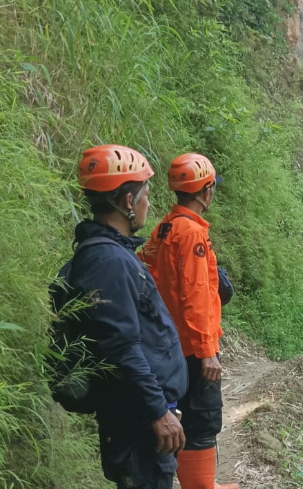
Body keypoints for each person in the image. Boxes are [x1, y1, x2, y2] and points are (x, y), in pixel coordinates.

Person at [73, 144, 188, 489]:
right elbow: (121, 346)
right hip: (137, 420)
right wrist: (157, 412)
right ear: (127, 201)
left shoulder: (111, 254)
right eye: (145, 195)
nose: (148, 204)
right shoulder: (108, 262)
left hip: (139, 415)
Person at [142, 153, 238, 489]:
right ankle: (201, 486)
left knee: (186, 415)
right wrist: (206, 349)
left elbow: (150, 273)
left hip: (170, 345)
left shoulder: (165, 226)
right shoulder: (192, 233)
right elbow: (195, 293)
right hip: (192, 348)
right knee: (202, 419)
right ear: (206, 191)